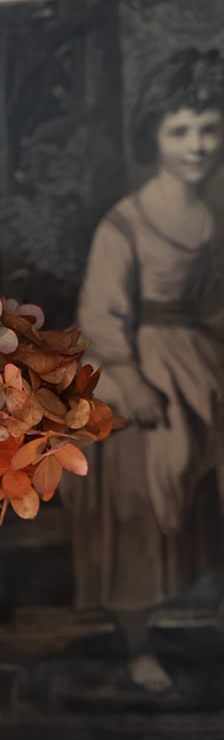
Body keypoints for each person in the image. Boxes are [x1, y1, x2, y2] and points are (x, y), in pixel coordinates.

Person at [73, 47, 224, 693]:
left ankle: (200, 625)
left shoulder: (211, 218)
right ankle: (139, 646)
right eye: (180, 130)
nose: (197, 145)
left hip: (201, 365)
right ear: (156, 136)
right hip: (133, 375)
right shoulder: (126, 223)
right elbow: (101, 317)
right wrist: (132, 383)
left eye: (209, 128)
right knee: (140, 487)